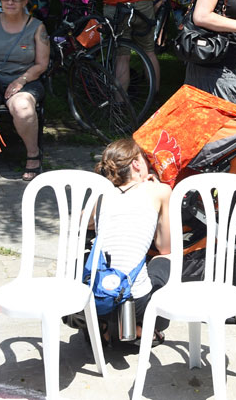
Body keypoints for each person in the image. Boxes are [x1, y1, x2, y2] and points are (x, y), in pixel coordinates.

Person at [91, 138, 173, 338]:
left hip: (96, 297)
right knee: (168, 260)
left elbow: (82, 223)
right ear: (136, 164)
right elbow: (164, 247)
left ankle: (105, 327)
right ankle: (137, 328)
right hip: (138, 303)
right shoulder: (160, 191)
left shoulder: (101, 195)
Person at [0, 0, 49, 182]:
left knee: (22, 107)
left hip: (25, 78)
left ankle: (33, 154)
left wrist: (21, 80)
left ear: (25, 1)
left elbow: (42, 64)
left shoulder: (37, 27)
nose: (10, 2)